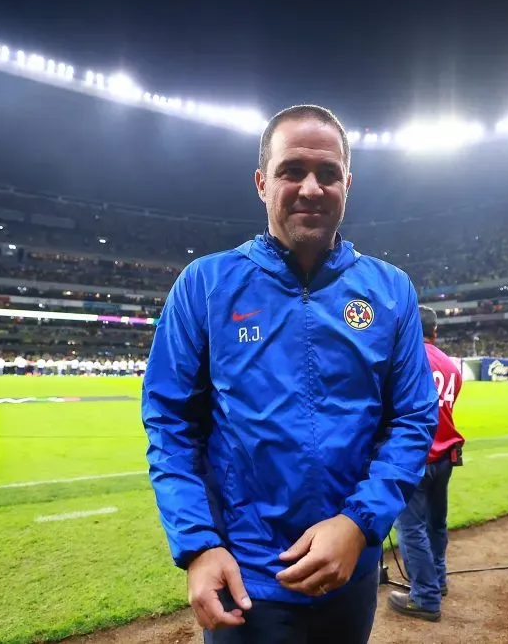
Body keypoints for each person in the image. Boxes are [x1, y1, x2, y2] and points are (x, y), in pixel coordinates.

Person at [142, 104, 440, 644]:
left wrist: (358, 524)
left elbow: (415, 417)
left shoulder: (391, 290)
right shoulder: (205, 285)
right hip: (245, 572)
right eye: (291, 171)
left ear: (348, 183)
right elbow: (168, 422)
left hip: (349, 569)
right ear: (262, 183)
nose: (310, 187)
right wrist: (198, 545)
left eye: (327, 173)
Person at [387, 306, 464, 623]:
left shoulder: (407, 357)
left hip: (415, 456)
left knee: (410, 528)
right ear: (436, 330)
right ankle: (438, 580)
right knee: (436, 523)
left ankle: (425, 597)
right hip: (446, 455)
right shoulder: (451, 366)